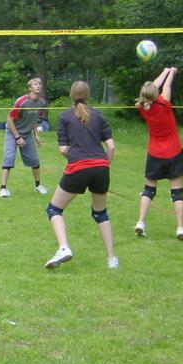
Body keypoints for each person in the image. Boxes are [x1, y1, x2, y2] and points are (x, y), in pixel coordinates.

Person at [44, 81, 118, 270]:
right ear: (88, 95)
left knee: (54, 210)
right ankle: (112, 259)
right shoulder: (98, 115)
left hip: (78, 167)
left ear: (71, 95)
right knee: (100, 213)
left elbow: (63, 149)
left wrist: (77, 159)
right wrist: (104, 165)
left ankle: (64, 248)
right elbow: (111, 147)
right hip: (101, 168)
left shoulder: (65, 116)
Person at [134, 67, 183, 240]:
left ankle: (140, 222)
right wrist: (171, 72)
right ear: (156, 94)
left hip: (155, 154)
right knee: (177, 192)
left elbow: (150, 90)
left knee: (148, 190)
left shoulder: (142, 107)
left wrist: (164, 71)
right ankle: (180, 228)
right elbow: (166, 86)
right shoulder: (164, 103)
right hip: (174, 153)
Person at [0, 78, 48, 198]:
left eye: (39, 84)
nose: (38, 86)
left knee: (34, 161)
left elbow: (34, 119)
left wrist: (36, 135)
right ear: (30, 88)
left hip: (26, 134)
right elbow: (9, 119)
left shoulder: (41, 103)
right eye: (35, 84)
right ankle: (3, 189)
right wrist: (17, 137)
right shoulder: (21, 102)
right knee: (9, 158)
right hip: (12, 132)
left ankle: (38, 186)